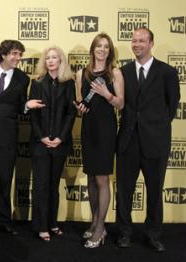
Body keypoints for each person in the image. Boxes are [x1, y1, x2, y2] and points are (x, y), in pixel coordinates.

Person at [116, 28, 180, 252]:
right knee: (124, 191)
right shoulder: (122, 72)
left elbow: (171, 106)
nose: (137, 44)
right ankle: (124, 232)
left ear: (152, 43)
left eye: (142, 40)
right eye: (134, 41)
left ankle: (153, 233)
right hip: (128, 141)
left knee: (154, 191)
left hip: (156, 142)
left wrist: (154, 127)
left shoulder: (168, 72)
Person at [0, 40, 44, 236]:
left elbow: (21, 105)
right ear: (3, 54)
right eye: (14, 53)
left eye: (20, 54)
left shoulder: (23, 79)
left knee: (5, 180)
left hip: (6, 137)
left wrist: (27, 106)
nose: (18, 58)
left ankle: (4, 219)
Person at [75, 33, 124, 248]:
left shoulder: (115, 73)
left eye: (106, 46)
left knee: (102, 179)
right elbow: (79, 103)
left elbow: (120, 104)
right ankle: (95, 221)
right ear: (93, 49)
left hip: (105, 130)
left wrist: (106, 93)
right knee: (91, 177)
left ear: (109, 50)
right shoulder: (81, 74)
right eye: (98, 46)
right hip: (88, 129)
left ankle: (100, 228)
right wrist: (80, 107)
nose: (102, 49)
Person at [29, 46, 76, 241]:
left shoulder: (69, 83)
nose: (50, 60)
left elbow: (71, 113)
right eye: (47, 57)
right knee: (41, 185)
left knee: (53, 185)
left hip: (60, 143)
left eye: (54, 57)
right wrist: (42, 137)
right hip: (40, 143)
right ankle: (41, 226)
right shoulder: (37, 83)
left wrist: (60, 138)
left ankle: (52, 222)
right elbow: (33, 113)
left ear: (61, 61)